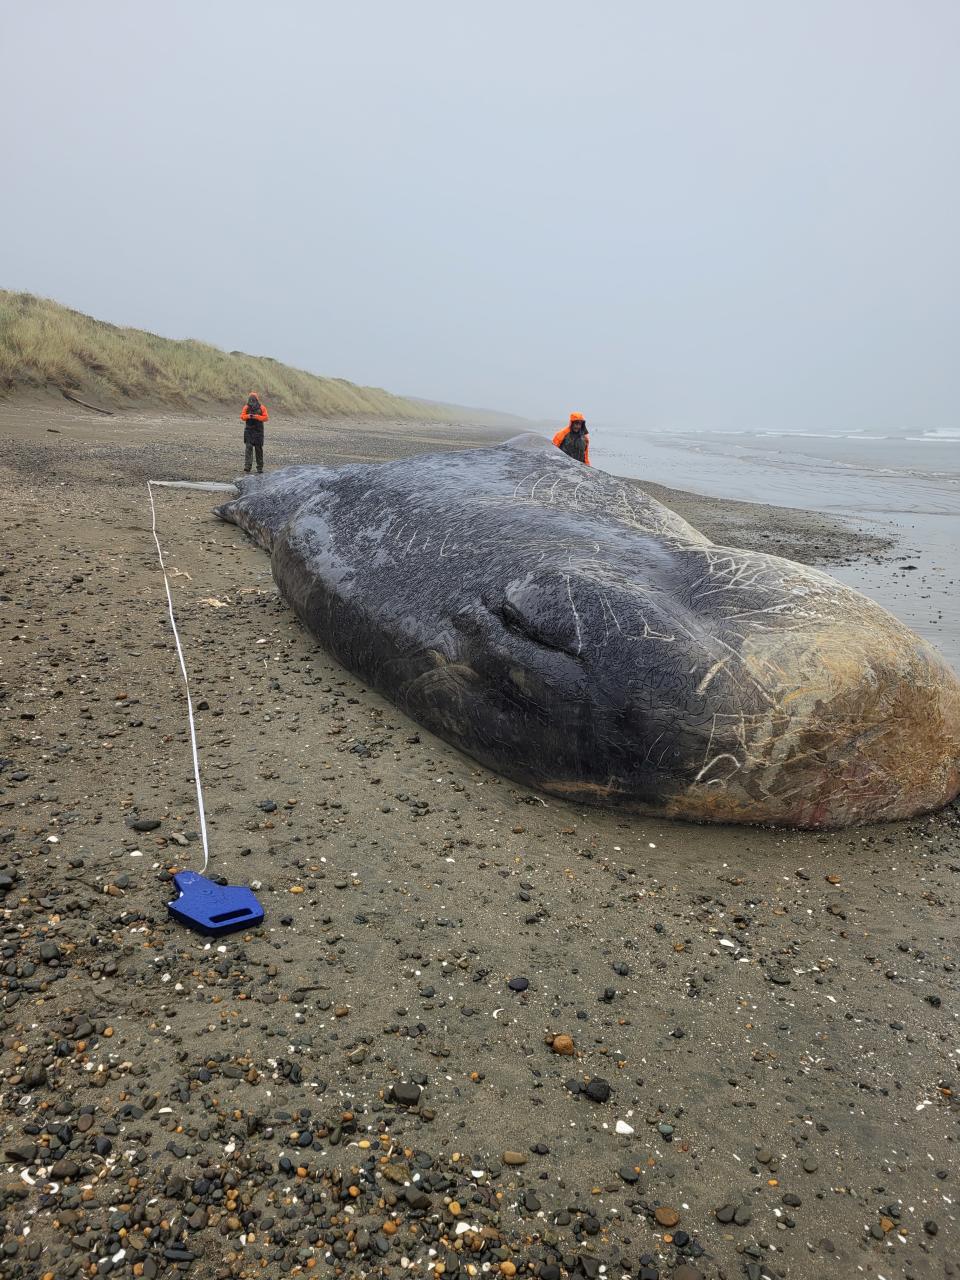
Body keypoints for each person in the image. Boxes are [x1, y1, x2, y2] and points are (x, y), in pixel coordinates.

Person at [240, 392, 269, 473]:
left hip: (258, 431)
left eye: (254, 398)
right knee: (248, 449)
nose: (252, 400)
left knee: (258, 449)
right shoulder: (246, 407)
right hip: (249, 431)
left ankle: (259, 468)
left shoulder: (262, 407)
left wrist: (257, 417)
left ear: (257, 399)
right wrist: (248, 416)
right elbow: (242, 416)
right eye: (251, 398)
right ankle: (247, 466)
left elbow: (266, 418)